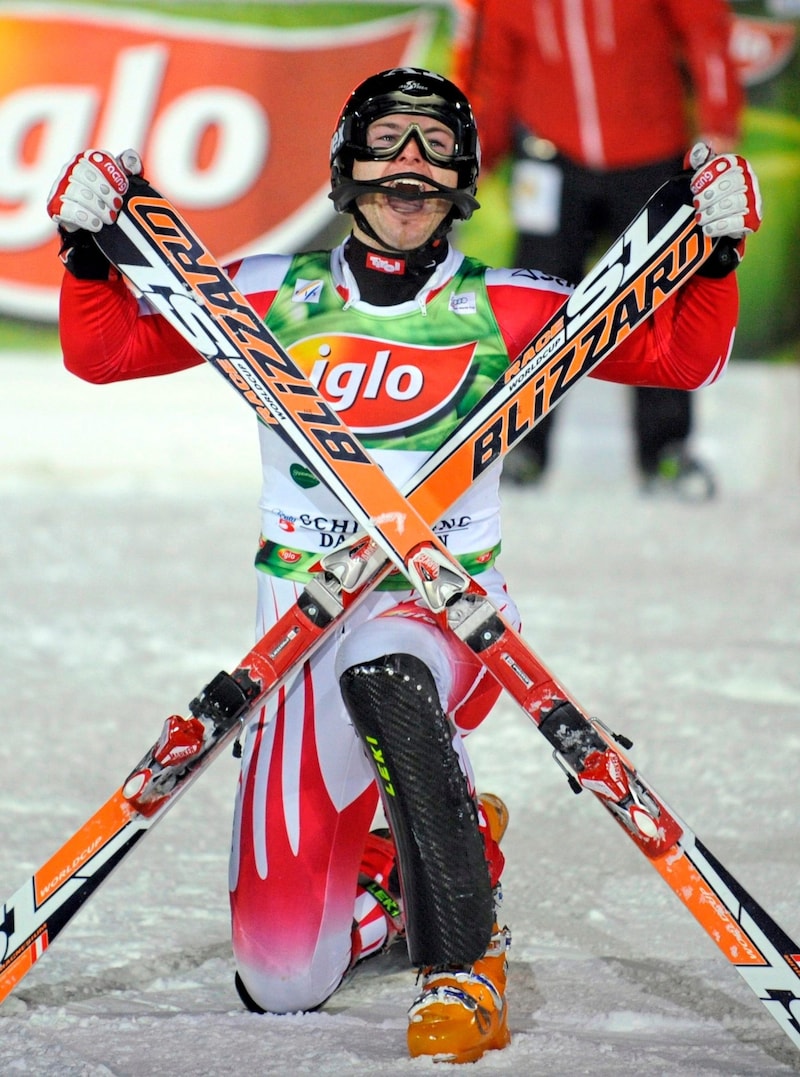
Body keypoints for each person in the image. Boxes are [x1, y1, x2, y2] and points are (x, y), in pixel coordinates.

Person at [45, 67, 760, 1063]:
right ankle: (405, 865)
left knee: (384, 662)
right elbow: (103, 350)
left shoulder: (512, 305)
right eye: (388, 141)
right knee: (278, 976)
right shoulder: (261, 294)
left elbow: (682, 359)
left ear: (464, 182)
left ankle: (466, 962)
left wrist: (714, 254)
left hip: (442, 612)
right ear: (345, 167)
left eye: (435, 147)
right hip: (294, 629)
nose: (409, 164)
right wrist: (89, 251)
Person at [453, 0, 744, 496]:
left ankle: (666, 451)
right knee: (537, 307)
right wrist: (471, 166)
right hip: (550, 158)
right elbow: (494, 71)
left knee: (658, 301)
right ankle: (520, 445)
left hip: (651, 155)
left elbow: (705, 29)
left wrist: (718, 123)